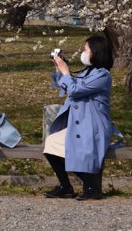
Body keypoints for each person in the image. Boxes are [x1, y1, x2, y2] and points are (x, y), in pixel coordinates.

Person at [43, 35, 118, 201]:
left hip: (93, 126)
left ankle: (92, 187)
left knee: (73, 147)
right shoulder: (88, 71)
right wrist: (59, 68)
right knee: (51, 144)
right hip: (80, 124)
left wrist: (66, 71)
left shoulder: (102, 75)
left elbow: (75, 90)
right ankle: (65, 186)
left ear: (95, 52)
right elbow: (68, 87)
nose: (83, 52)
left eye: (86, 49)